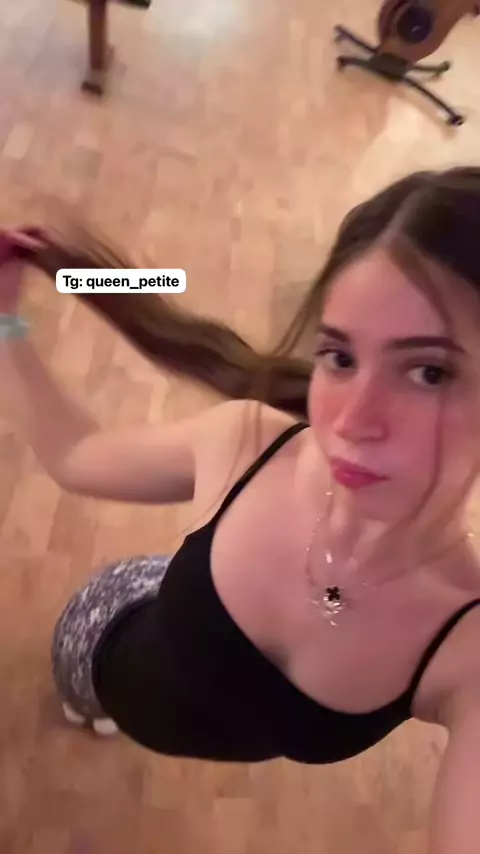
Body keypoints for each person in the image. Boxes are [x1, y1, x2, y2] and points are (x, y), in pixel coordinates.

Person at [2, 166, 480, 851]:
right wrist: (6, 319)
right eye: (339, 357)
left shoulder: (465, 651)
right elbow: (75, 453)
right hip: (100, 634)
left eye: (429, 372)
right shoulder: (245, 443)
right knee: (81, 706)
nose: (352, 421)